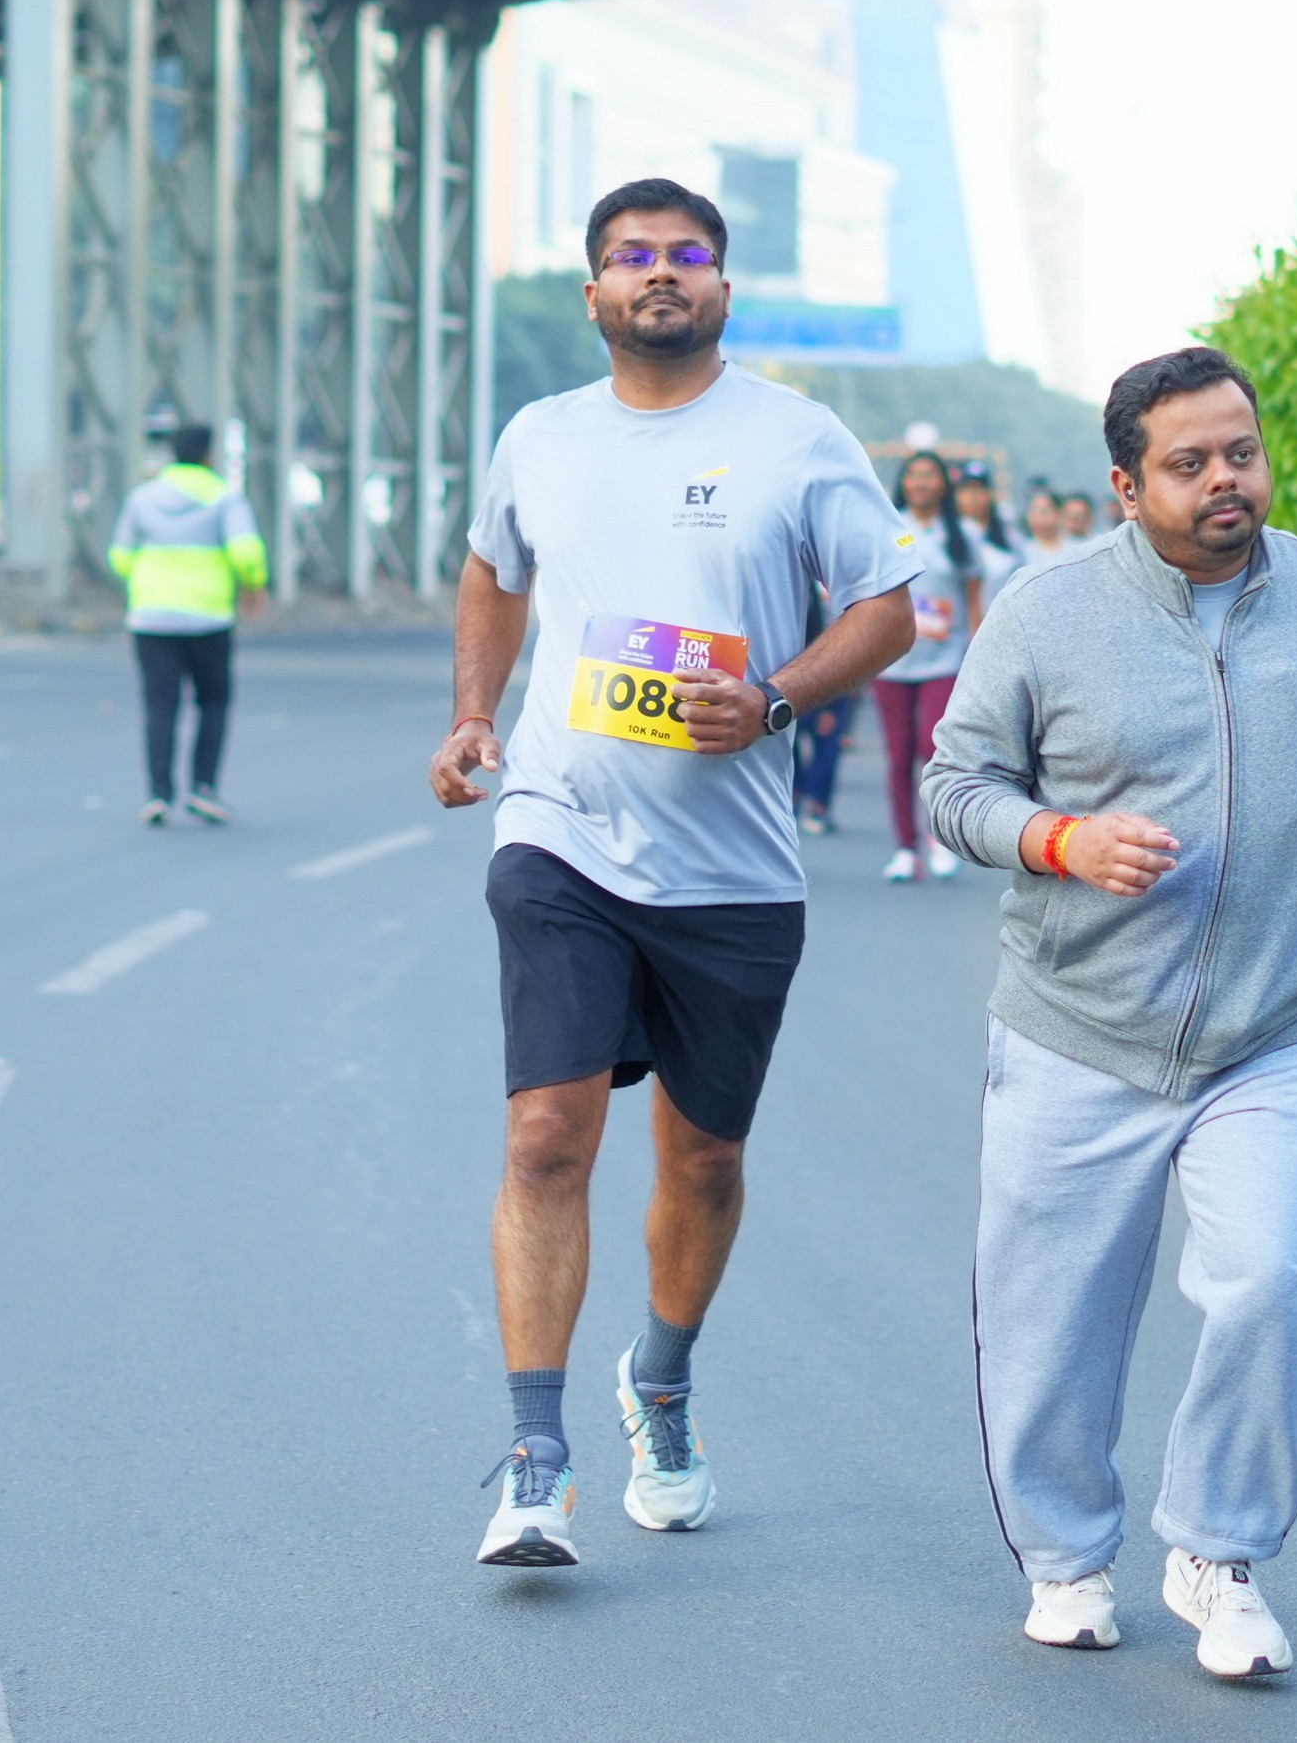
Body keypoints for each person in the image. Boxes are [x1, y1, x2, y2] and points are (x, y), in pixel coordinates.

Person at [924, 346, 1297, 1680]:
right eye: (1190, 462)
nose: (1226, 480)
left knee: (1275, 1276)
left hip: (1270, 1027)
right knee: (1050, 1320)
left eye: (1241, 453)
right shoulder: (1045, 613)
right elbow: (956, 786)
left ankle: (1219, 1551)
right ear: (1125, 485)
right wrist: (1062, 840)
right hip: (1076, 1028)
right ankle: (1065, 1555)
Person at [428, 176, 918, 1570]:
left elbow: (888, 607)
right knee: (546, 1136)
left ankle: (661, 1376)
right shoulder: (541, 436)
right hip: (562, 829)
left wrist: (772, 699)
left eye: (687, 254)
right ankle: (536, 1457)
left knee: (703, 1158)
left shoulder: (796, 438)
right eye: (632, 255)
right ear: (592, 292)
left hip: (734, 866)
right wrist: (475, 711)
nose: (661, 272)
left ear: (722, 288)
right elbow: (493, 571)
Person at [107, 423, 266, 825]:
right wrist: (254, 584)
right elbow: (246, 554)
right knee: (212, 701)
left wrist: (150, 580)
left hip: (151, 617)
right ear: (209, 456)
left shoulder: (142, 498)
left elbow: (120, 557)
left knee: (160, 706)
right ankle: (203, 788)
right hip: (208, 618)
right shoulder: (225, 499)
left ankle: (158, 795)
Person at [872, 449, 978, 883]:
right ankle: (904, 848)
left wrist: (979, 653)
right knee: (899, 754)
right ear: (903, 483)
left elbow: (974, 600)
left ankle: (940, 839)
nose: (920, 482)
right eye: (913, 475)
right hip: (891, 660)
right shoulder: (886, 526)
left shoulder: (962, 533)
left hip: (945, 661)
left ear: (942, 484)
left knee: (932, 748)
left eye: (928, 475)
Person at [791, 582, 854, 834]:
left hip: (839, 670)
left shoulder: (849, 576)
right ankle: (795, 791)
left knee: (828, 742)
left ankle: (818, 804)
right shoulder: (799, 578)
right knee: (788, 737)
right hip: (794, 668)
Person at [955, 459, 1020, 605]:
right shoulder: (949, 534)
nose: (973, 496)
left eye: (979, 489)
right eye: (967, 490)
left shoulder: (1007, 534)